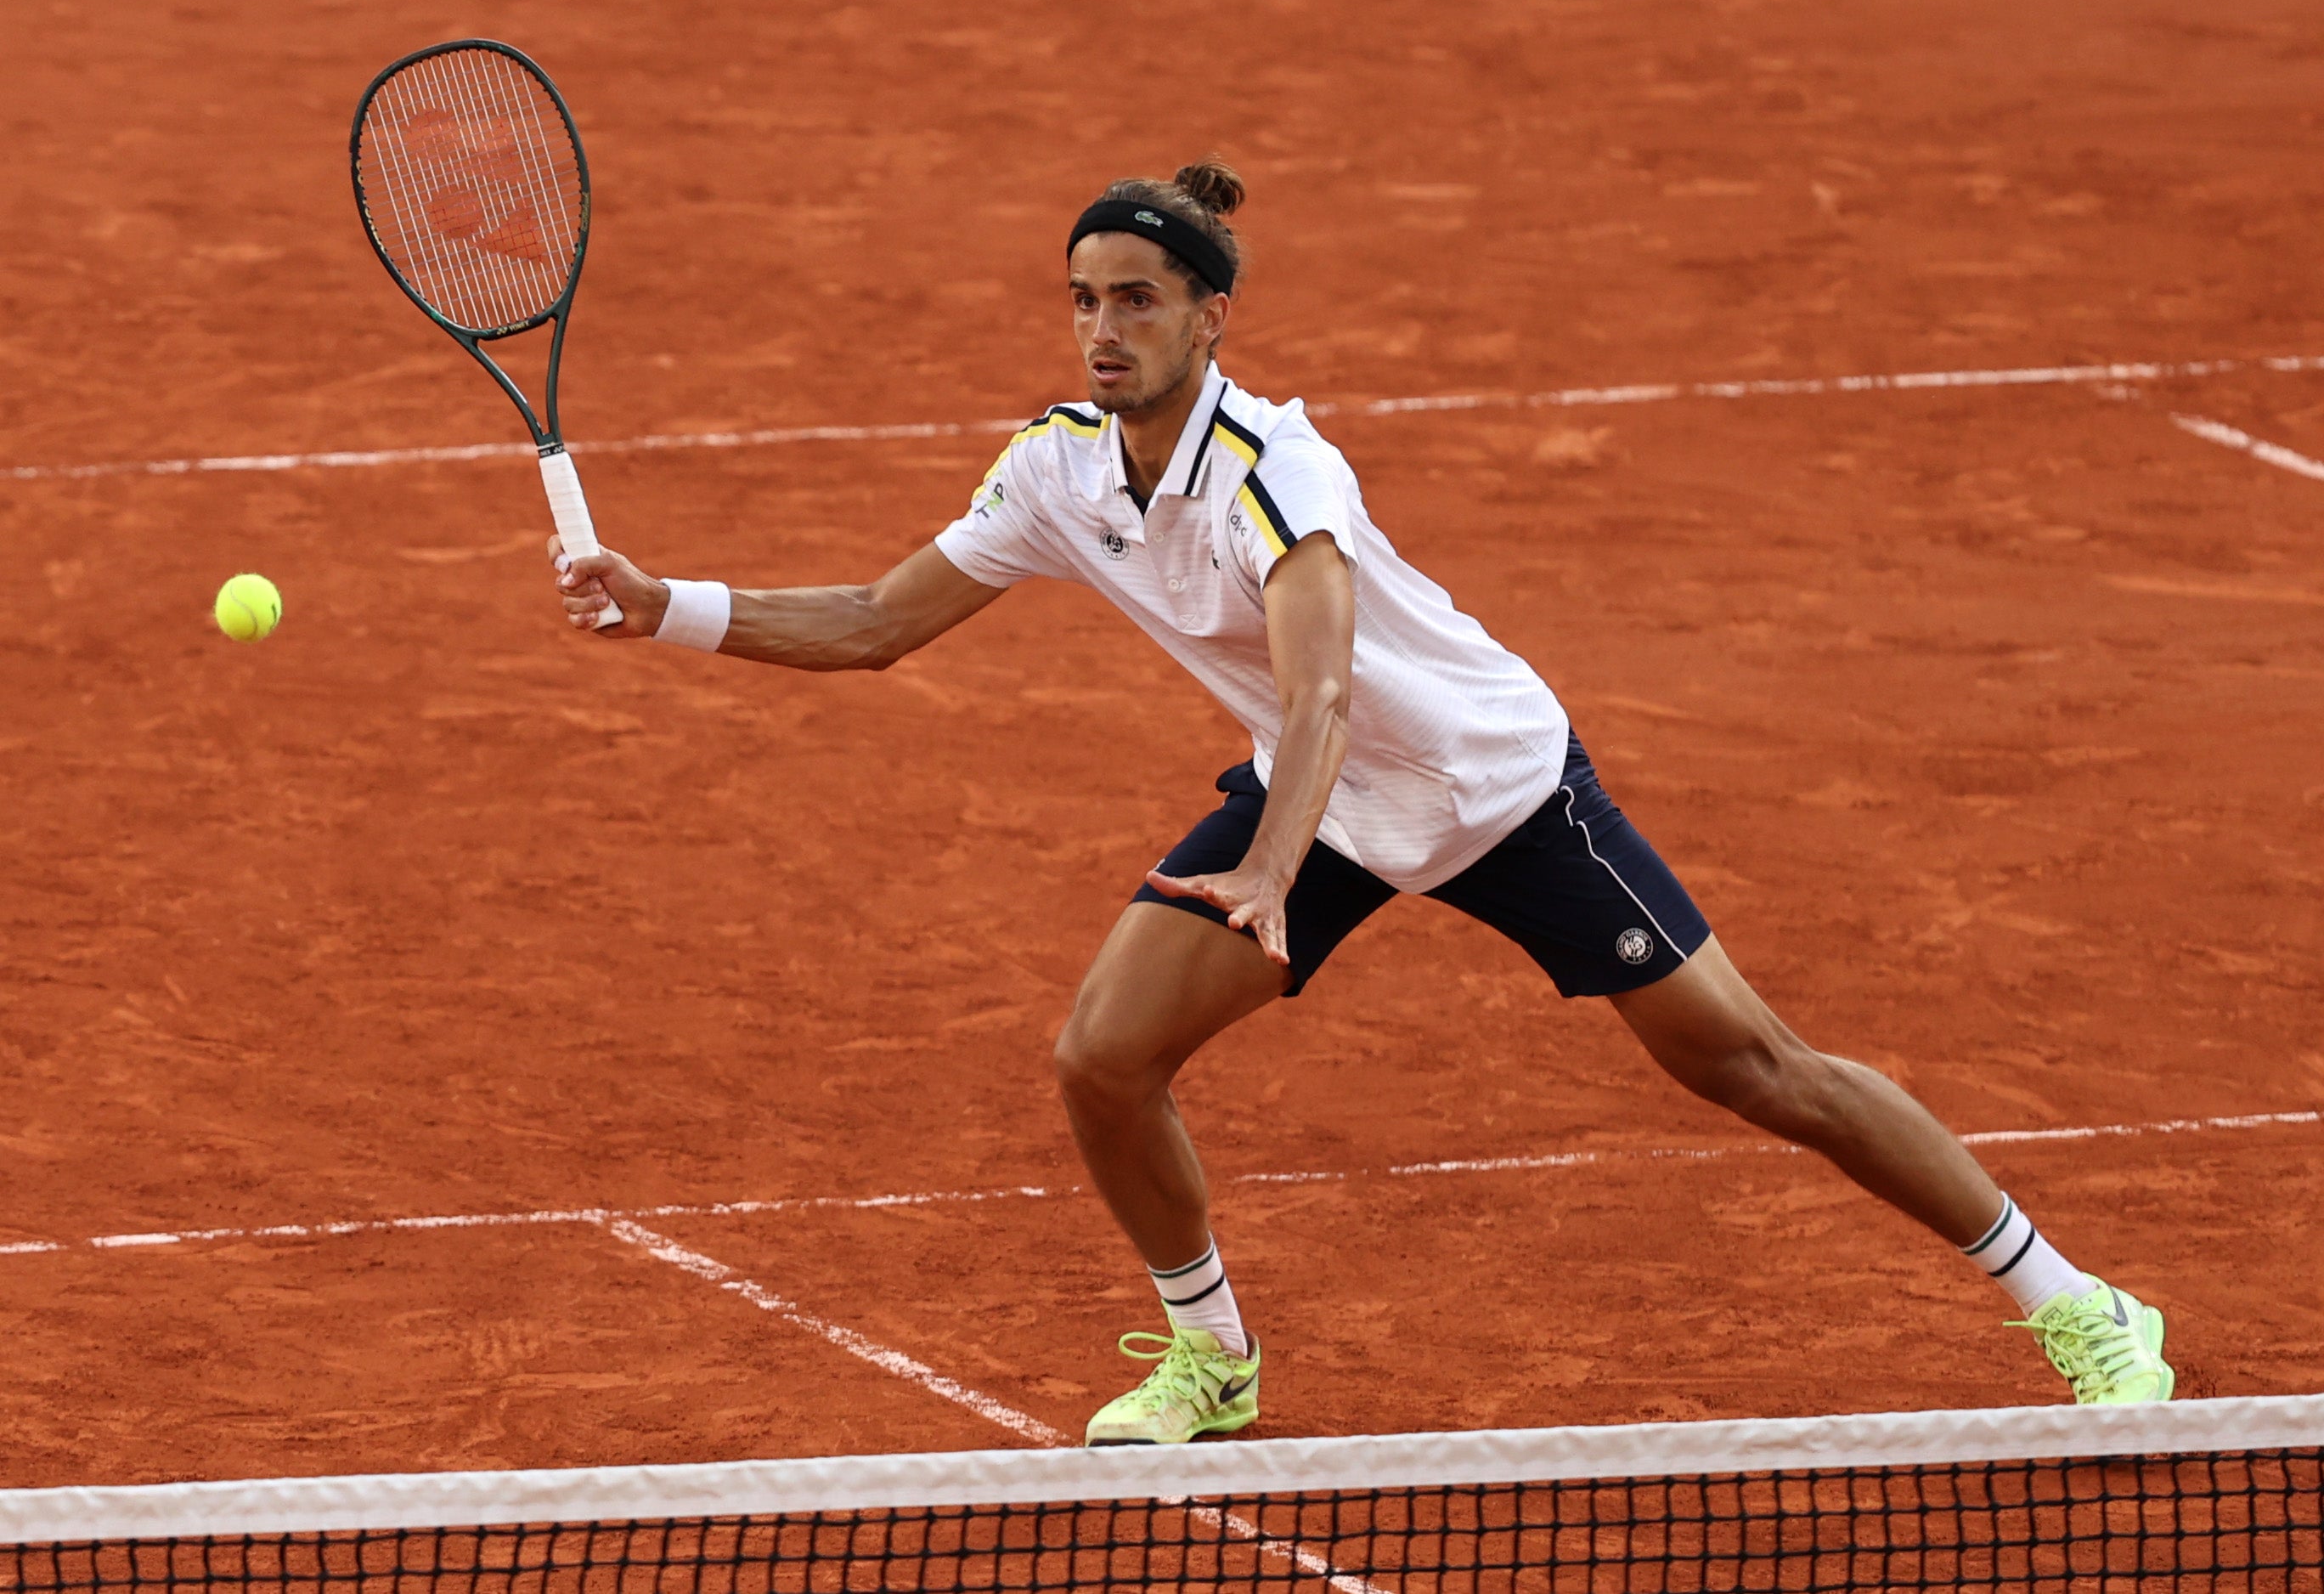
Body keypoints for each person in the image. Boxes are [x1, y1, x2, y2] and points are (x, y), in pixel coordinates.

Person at [546, 160, 2174, 1444]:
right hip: (1318, 810)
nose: (1102, 331)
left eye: (1137, 302)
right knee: (1103, 1061)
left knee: (1753, 1068)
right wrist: (667, 602)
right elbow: (876, 625)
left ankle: (2080, 1301)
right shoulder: (1051, 466)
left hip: (1490, 788)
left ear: (1209, 322)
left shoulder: (1279, 473)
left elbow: (1323, 687)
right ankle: (1213, 1358)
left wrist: (1263, 872)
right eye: (1080, 303)